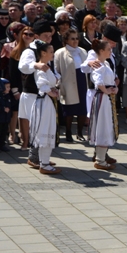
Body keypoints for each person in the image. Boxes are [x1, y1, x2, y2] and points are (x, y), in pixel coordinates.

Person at [28, 40, 61, 174]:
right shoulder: (42, 67)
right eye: (51, 52)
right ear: (43, 53)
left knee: (49, 130)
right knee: (46, 131)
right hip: (45, 103)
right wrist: (51, 92)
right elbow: (42, 84)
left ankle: (44, 162)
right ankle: (44, 164)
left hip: (48, 102)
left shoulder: (47, 66)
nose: (53, 54)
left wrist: (55, 89)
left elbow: (53, 81)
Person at [88, 40, 119, 171]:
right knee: (102, 126)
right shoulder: (99, 65)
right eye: (108, 49)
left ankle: (101, 157)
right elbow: (97, 81)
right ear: (101, 51)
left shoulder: (105, 64)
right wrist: (106, 90)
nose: (110, 51)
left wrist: (113, 88)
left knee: (106, 126)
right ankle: (100, 159)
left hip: (107, 99)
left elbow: (110, 81)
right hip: (102, 99)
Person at [54, 28, 88, 142]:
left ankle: (80, 133)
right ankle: (68, 132)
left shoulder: (82, 51)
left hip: (82, 80)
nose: (75, 41)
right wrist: (59, 84)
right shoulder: (60, 53)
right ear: (66, 40)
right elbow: (56, 70)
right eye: (72, 39)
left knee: (82, 108)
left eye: (77, 38)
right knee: (69, 109)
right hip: (68, 82)